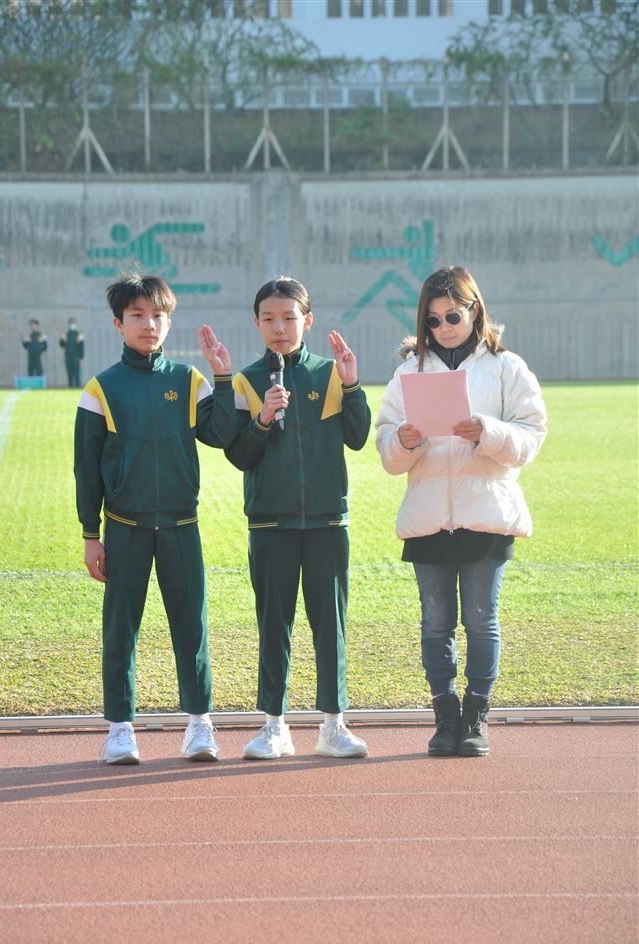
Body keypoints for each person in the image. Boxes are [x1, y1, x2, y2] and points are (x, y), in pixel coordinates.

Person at [375, 265, 547, 757]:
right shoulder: (408, 373)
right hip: (428, 517)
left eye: (452, 315)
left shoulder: (506, 367)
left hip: (486, 514)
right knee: (435, 622)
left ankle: (476, 717)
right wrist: (403, 440)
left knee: (480, 619)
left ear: (475, 310)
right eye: (432, 320)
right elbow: (386, 449)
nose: (444, 326)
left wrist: (487, 432)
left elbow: (532, 435)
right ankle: (445, 717)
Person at [74, 272, 236, 765]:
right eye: (137, 315)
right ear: (118, 324)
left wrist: (222, 377)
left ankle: (199, 725)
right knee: (120, 630)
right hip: (125, 529)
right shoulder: (101, 389)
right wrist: (91, 534)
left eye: (158, 315)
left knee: (192, 627)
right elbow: (86, 468)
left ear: (169, 321)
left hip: (182, 528)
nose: (149, 324)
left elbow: (222, 435)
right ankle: (120, 730)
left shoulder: (189, 380)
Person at [223, 276, 371, 760]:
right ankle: (274, 727)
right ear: (257, 323)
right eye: (269, 319)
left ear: (307, 321)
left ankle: (333, 726)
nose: (279, 328)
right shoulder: (247, 380)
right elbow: (239, 455)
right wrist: (263, 419)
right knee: (274, 626)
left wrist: (352, 385)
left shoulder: (330, 373)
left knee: (330, 627)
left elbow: (358, 437)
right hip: (270, 525)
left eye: (289, 318)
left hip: (328, 523)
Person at [60, 317, 85, 387]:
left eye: (74, 323)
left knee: (77, 375)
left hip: (76, 358)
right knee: (69, 375)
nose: (72, 324)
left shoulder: (79, 335)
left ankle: (78, 388)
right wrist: (62, 338)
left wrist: (81, 358)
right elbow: (62, 345)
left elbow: (81, 347)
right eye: (71, 323)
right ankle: (70, 388)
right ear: (68, 324)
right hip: (68, 357)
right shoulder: (66, 334)